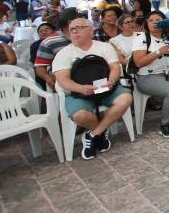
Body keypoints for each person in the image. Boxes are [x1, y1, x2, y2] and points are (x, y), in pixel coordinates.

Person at [53, 18, 134, 160]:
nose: (75, 32)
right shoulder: (64, 53)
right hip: (78, 91)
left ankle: (93, 134)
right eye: (72, 29)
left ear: (91, 30)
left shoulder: (104, 47)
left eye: (80, 28)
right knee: (80, 115)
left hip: (103, 86)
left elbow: (115, 67)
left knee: (126, 98)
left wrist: (111, 80)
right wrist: (81, 88)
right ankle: (101, 132)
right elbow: (62, 79)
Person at [34, 8, 79, 91]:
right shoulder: (50, 42)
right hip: (70, 87)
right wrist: (47, 77)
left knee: (107, 94)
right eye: (81, 19)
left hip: (94, 81)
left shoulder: (87, 37)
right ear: (71, 23)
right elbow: (39, 68)